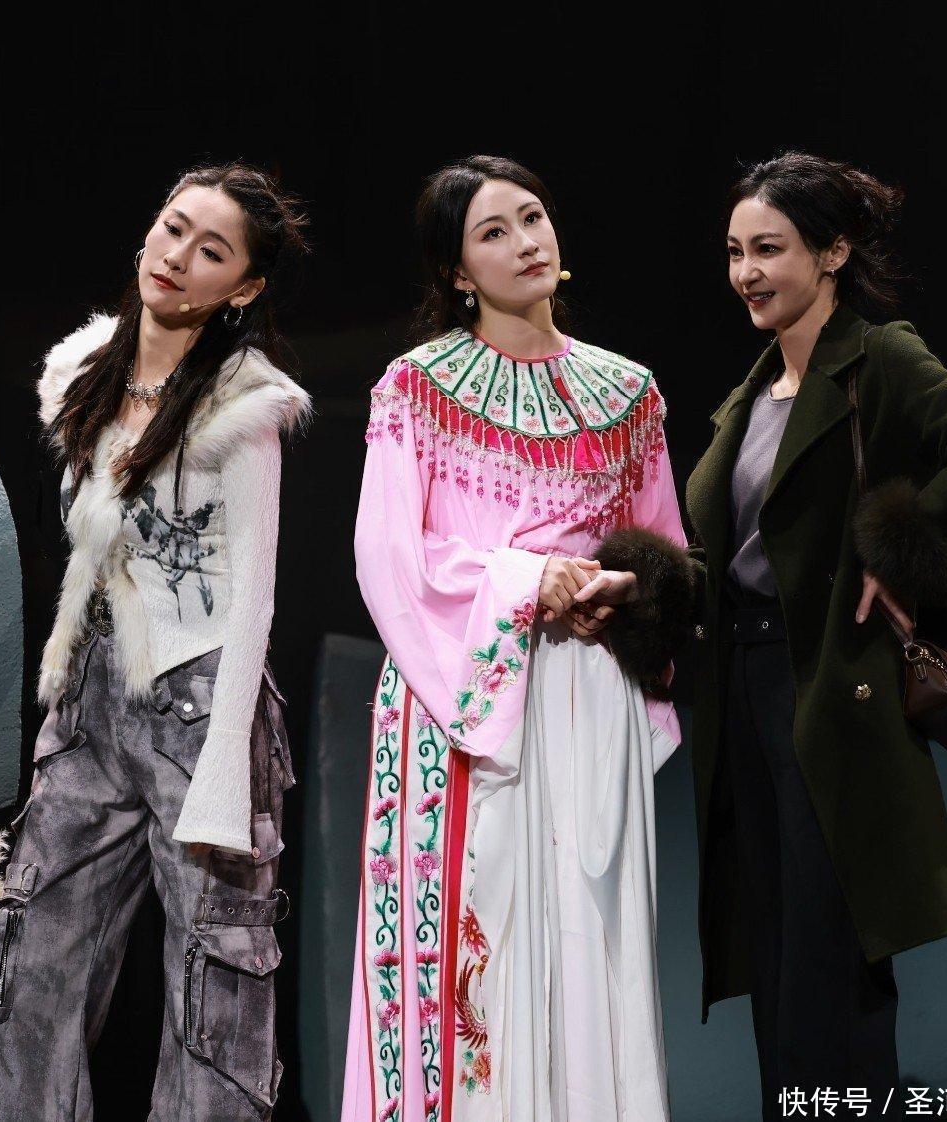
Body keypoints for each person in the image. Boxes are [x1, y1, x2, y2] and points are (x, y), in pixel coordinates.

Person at [602, 150, 947, 1120]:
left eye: (769, 249)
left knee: (830, 968)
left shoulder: (879, 359)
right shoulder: (751, 396)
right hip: (744, 691)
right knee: (778, 957)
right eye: (734, 252)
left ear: (833, 251)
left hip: (836, 689)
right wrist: (643, 588)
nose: (745, 272)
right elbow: (733, 557)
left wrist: (898, 547)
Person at [342, 155, 695, 1122]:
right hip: (465, 693)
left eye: (532, 217)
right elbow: (390, 557)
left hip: (594, 696)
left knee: (593, 936)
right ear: (456, 272)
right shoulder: (416, 388)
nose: (525, 242)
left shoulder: (627, 393)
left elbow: (667, 551)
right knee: (479, 943)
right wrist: (529, 581)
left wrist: (623, 590)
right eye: (492, 233)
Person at [0, 162, 311, 1121]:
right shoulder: (83, 369)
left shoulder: (245, 405)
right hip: (90, 700)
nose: (178, 256)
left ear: (242, 288)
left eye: (211, 251)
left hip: (201, 707)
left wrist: (224, 776)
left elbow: (253, 601)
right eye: (174, 228)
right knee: (26, 968)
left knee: (213, 995)